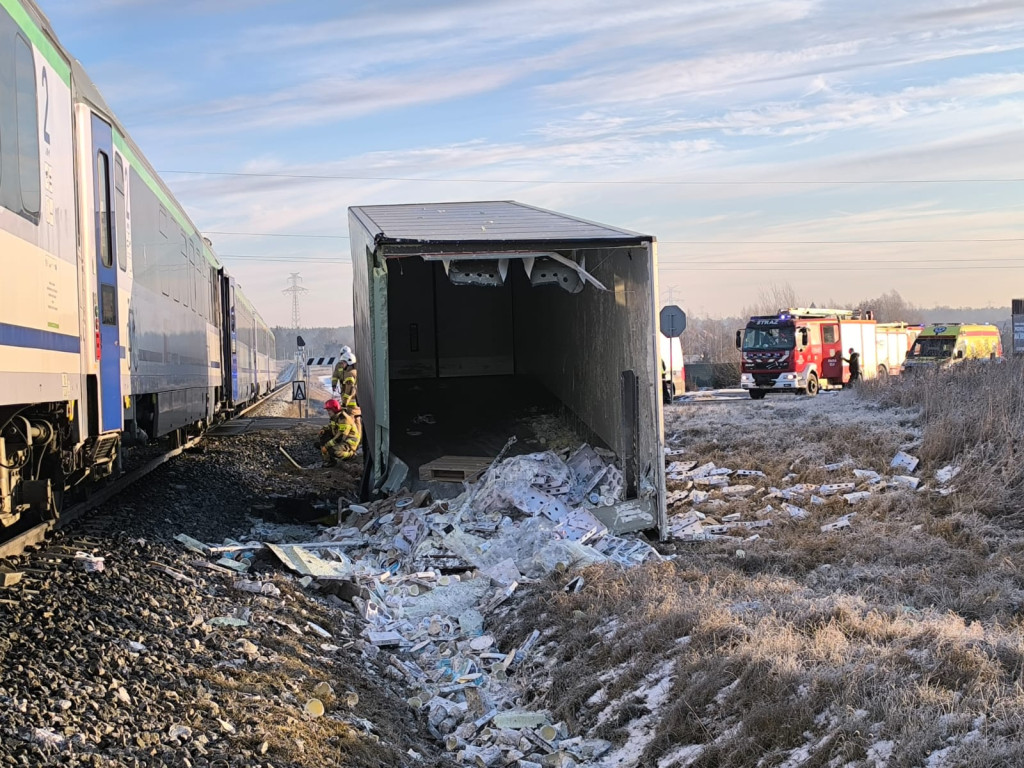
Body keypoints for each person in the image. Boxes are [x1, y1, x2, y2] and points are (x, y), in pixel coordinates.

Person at [318, 399, 362, 466]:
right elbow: (331, 427)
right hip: (343, 440)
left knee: (333, 451)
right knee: (324, 436)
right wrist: (324, 430)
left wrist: (326, 446)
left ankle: (351, 455)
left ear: (334, 409)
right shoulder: (335, 417)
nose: (328, 412)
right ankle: (329, 460)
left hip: (349, 442)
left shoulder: (344, 419)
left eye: (329, 410)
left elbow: (340, 437)